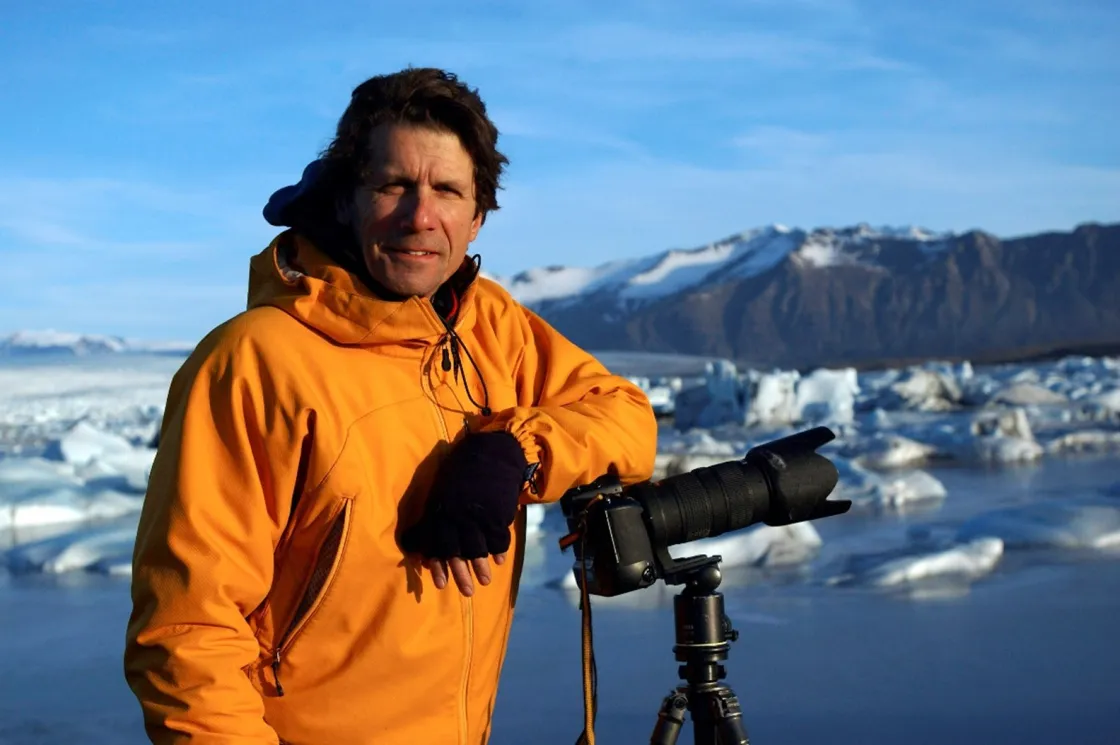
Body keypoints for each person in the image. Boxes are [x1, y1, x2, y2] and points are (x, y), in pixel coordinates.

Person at [123, 67, 658, 745]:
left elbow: (624, 415)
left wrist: (516, 451)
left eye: (447, 190)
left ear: (477, 217)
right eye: (393, 185)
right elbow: (186, 635)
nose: (420, 216)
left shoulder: (489, 327)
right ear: (346, 199)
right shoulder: (254, 362)